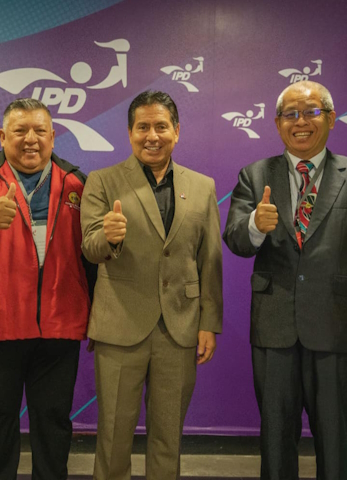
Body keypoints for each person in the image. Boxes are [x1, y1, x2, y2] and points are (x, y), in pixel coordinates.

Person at [223, 80, 347, 480]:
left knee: (335, 439)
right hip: (274, 327)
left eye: (311, 112)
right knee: (276, 439)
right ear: (277, 123)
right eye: (290, 114)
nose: (300, 122)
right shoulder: (254, 175)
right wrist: (255, 225)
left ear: (331, 119)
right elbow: (235, 240)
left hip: (337, 327)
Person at [0, 98, 94, 480]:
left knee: (54, 424)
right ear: (2, 136)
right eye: (20, 131)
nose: (31, 139)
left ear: (53, 136)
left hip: (59, 329)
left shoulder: (76, 181)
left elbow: (91, 257)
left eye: (40, 131)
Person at [81, 90, 223, 480]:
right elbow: (90, 248)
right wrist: (108, 236)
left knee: (168, 437)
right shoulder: (102, 181)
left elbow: (209, 259)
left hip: (180, 328)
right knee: (113, 436)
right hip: (119, 325)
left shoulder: (203, 186)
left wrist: (209, 322)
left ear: (176, 131)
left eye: (161, 126)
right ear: (130, 133)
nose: (152, 136)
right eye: (142, 127)